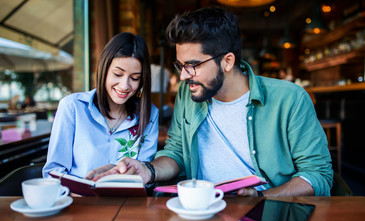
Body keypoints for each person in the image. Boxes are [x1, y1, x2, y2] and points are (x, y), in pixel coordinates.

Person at [87, 8, 333, 197]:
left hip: (268, 214)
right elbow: (176, 153)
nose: (183, 76)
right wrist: (148, 170)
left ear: (227, 61)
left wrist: (260, 197)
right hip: (201, 210)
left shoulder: (290, 99)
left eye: (192, 66)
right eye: (180, 66)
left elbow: (318, 175)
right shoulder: (189, 93)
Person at [43, 32, 159, 178]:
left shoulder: (150, 115)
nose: (124, 86)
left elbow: (143, 175)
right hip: (76, 198)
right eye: (117, 74)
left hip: (125, 199)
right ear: (104, 69)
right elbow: (52, 173)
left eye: (134, 78)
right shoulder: (73, 107)